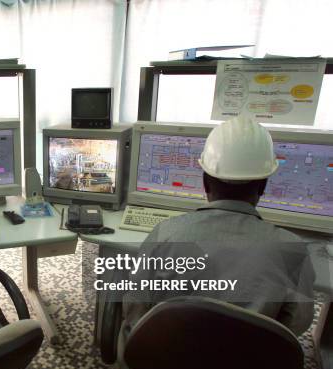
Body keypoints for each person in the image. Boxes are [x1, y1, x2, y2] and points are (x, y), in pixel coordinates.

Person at [121, 116, 315, 337]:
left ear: (205, 182)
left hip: (167, 363)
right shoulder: (293, 250)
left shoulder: (166, 234)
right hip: (248, 367)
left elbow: (135, 308)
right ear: (263, 186)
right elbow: (297, 324)